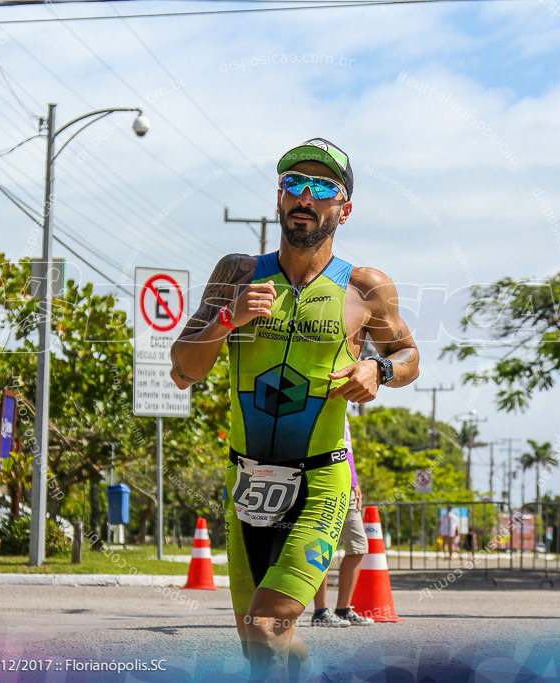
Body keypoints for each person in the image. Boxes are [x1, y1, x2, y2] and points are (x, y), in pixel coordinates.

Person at [169, 138, 420, 679]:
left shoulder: (365, 287)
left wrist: (379, 369)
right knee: (263, 638)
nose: (305, 197)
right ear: (279, 198)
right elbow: (184, 370)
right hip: (248, 484)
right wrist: (225, 320)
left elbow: (408, 355)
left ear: (344, 209)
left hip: (320, 485)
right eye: (294, 185)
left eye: (323, 188)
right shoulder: (237, 273)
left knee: (265, 630)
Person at [311, 416, 374, 627]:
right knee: (321, 547)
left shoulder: (345, 411)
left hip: (346, 483)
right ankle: (320, 612)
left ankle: (343, 609)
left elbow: (347, 450)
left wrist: (354, 481)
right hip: (323, 482)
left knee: (358, 545)